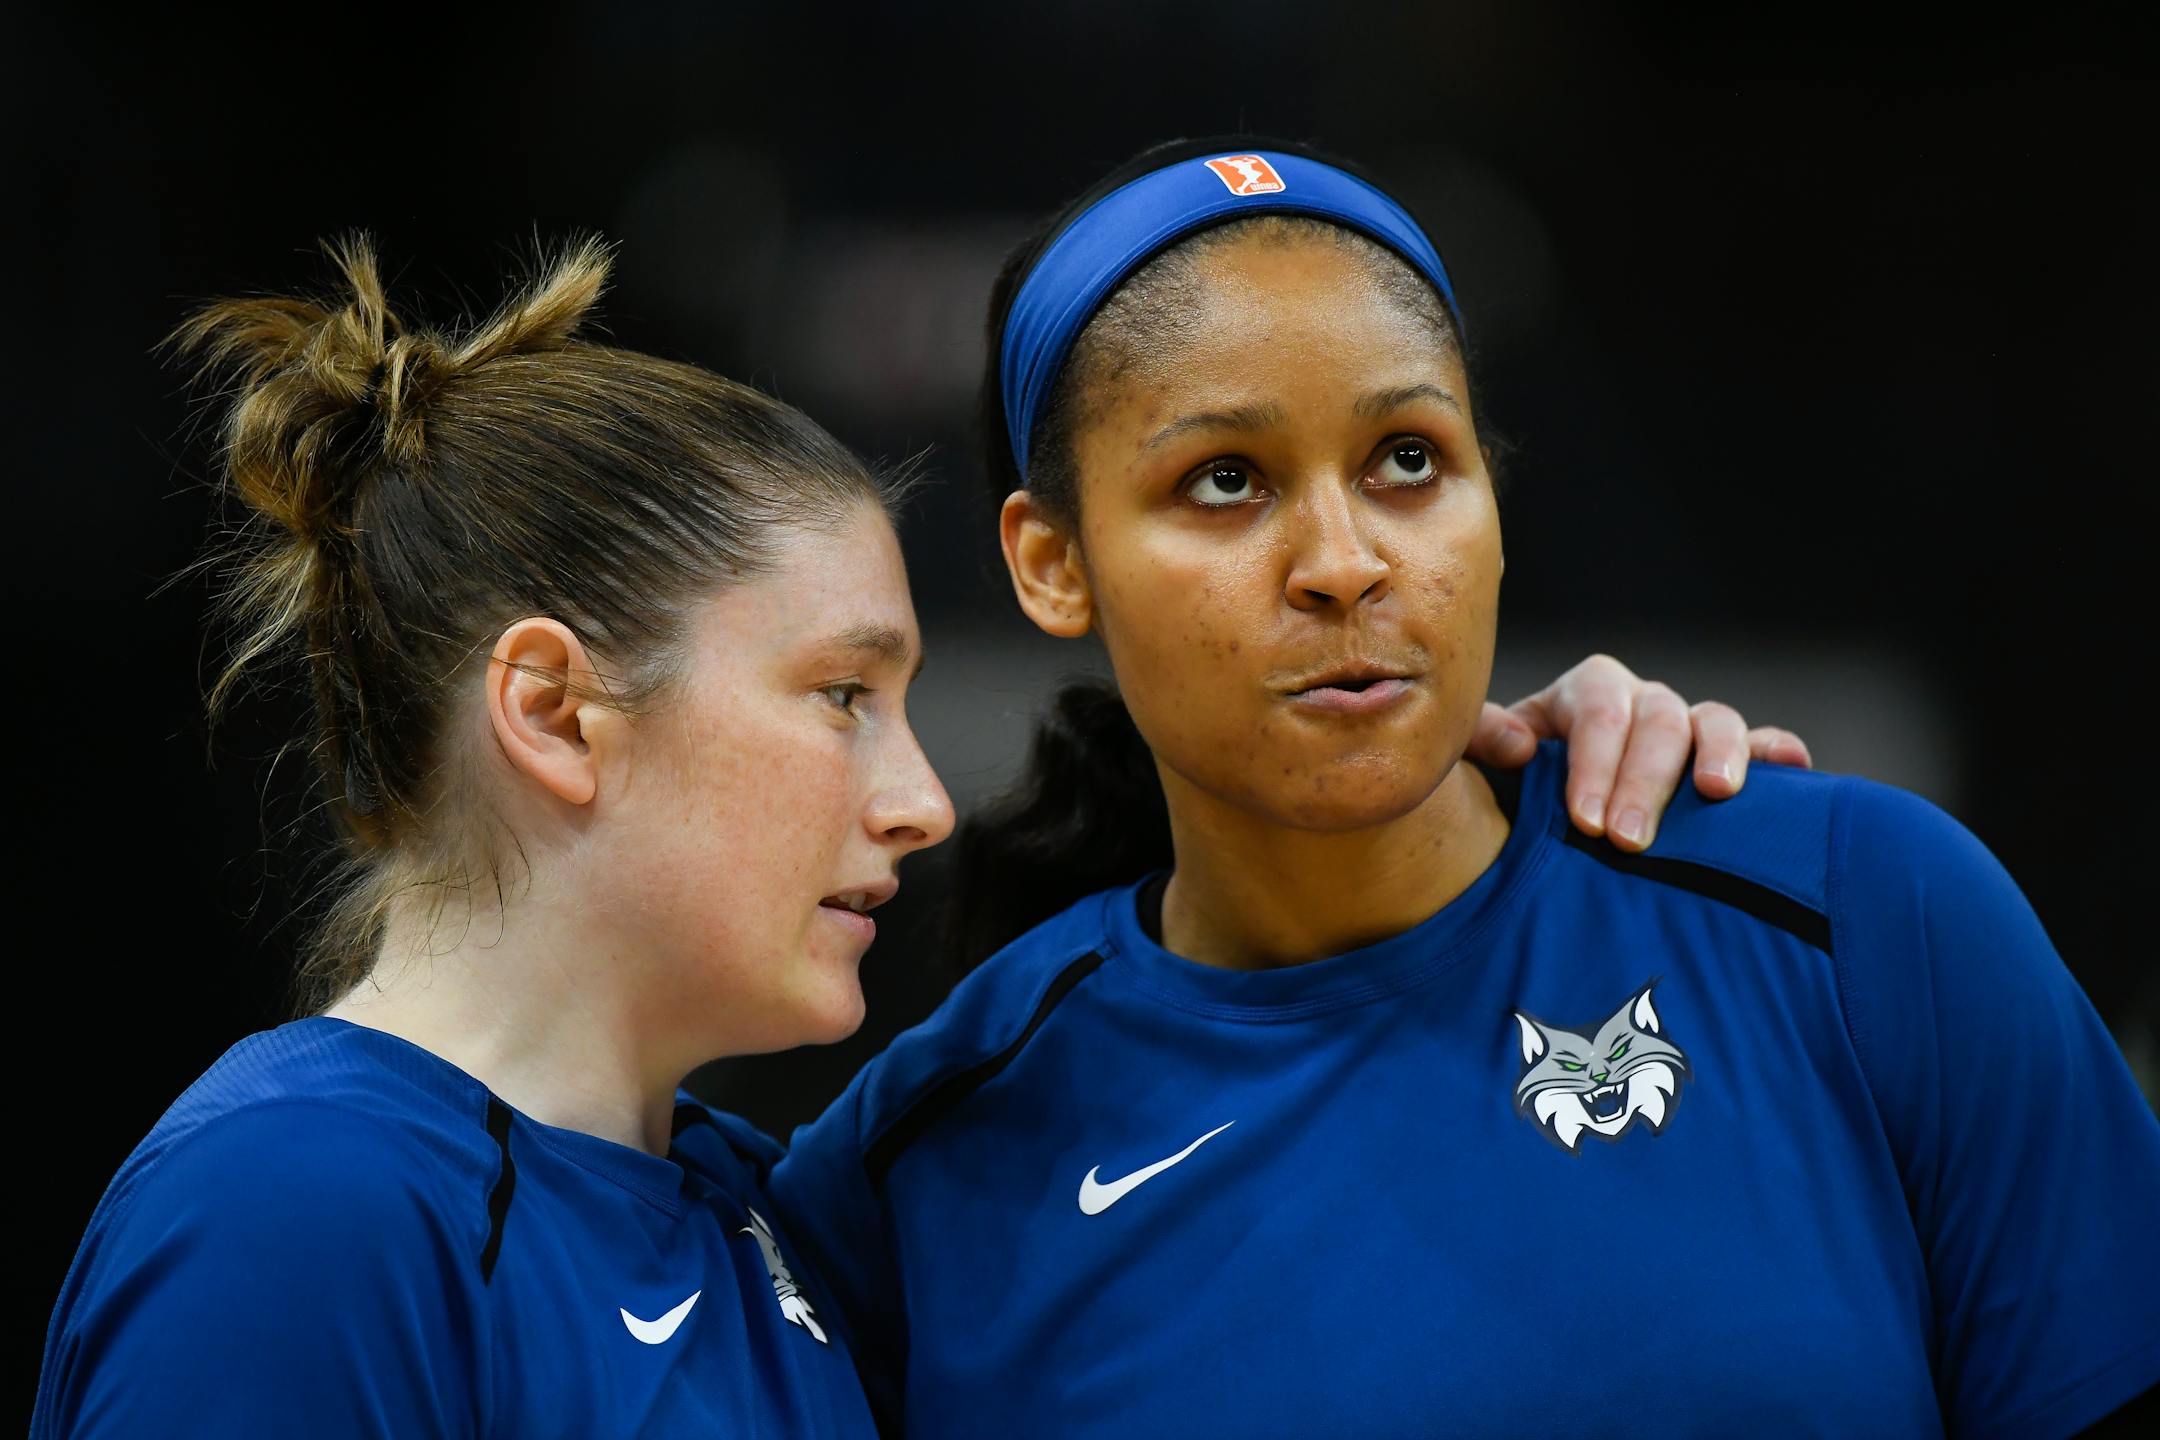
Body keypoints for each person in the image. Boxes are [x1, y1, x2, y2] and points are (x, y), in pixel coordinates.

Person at [32, 232, 1778, 1436]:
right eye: (841, 694)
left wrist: (1529, 774)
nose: (922, 799)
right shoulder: (298, 1215)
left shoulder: (776, 1225)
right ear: (555, 714)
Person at [768, 138, 2160, 1436]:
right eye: (1226, 480)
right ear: (1050, 562)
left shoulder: (1863, 916)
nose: (1344, 559)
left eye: (1409, 462)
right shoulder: (923, 1170)